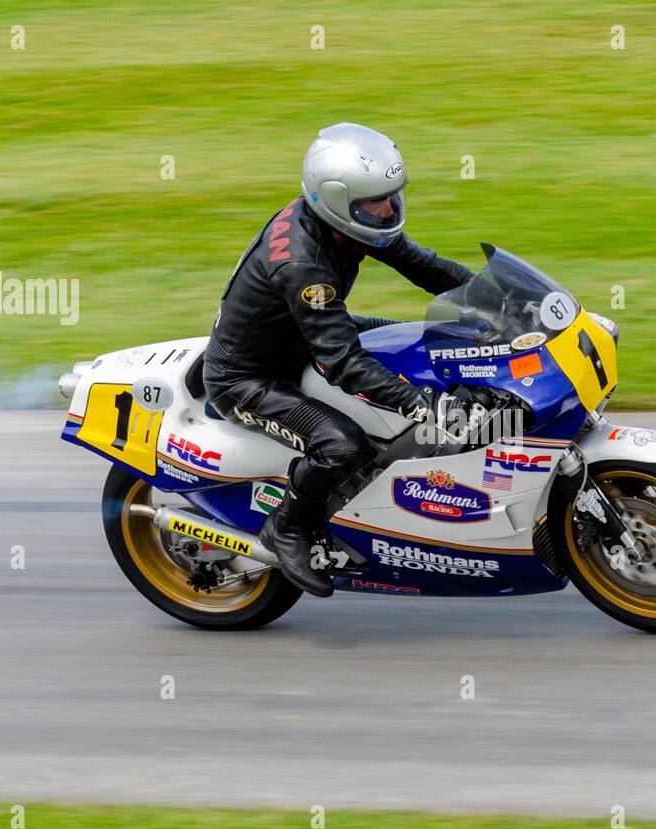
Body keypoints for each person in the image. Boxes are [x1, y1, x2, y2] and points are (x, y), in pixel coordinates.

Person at [203, 122, 476, 598]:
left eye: (392, 195)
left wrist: (492, 297)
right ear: (337, 200)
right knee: (344, 445)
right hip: (249, 377)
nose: (389, 208)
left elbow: (423, 265)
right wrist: (419, 404)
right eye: (376, 200)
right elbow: (343, 363)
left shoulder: (348, 222)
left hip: (305, 335)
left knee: (419, 339)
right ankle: (286, 528)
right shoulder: (304, 265)